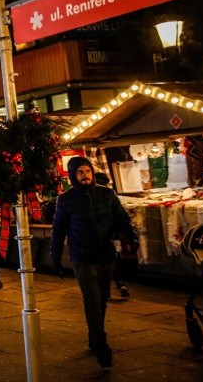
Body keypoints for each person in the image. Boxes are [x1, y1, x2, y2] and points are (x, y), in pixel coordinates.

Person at [50, 156, 138, 368]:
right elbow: (59, 229)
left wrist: (131, 237)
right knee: (91, 299)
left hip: (106, 255)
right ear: (73, 175)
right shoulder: (66, 200)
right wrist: (55, 257)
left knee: (102, 299)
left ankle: (94, 336)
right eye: (80, 172)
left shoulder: (107, 194)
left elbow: (121, 218)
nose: (85, 175)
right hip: (82, 256)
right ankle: (100, 343)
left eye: (87, 171)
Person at [94, 172, 130, 298]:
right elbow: (120, 216)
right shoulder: (110, 194)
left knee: (104, 262)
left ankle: (112, 287)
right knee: (111, 260)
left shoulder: (91, 194)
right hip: (112, 234)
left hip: (98, 235)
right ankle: (119, 284)